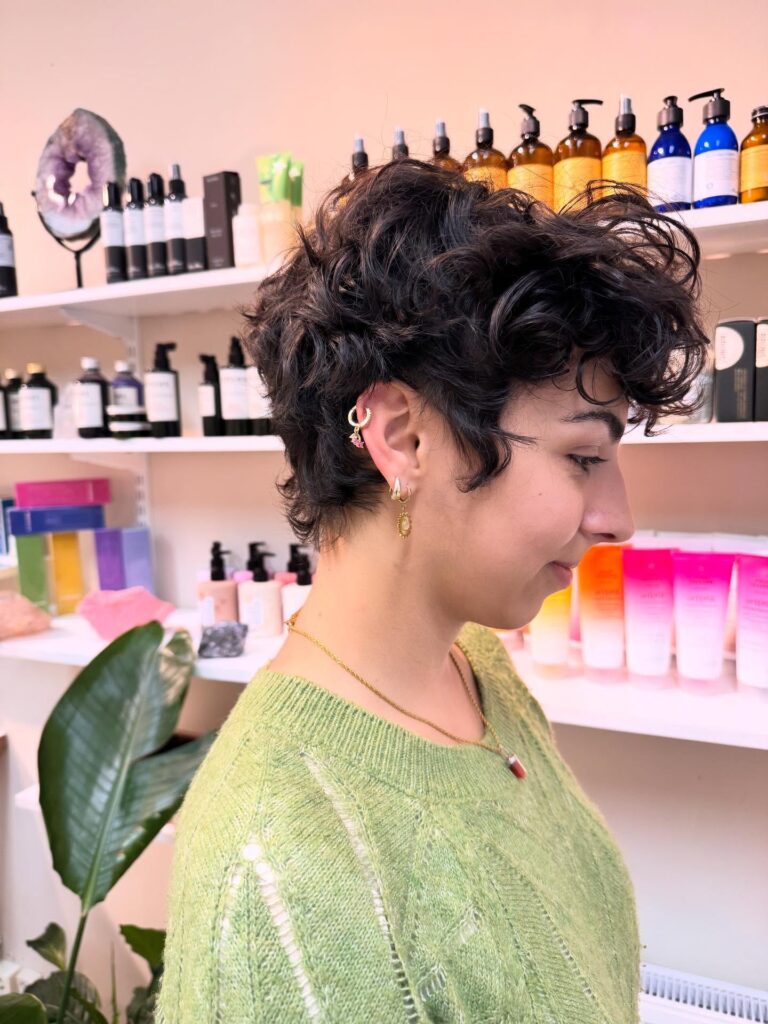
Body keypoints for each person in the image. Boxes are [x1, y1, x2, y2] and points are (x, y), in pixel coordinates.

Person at [154, 160, 708, 1023]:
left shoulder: (476, 666)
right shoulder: (280, 870)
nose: (619, 518)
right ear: (406, 440)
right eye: (584, 457)